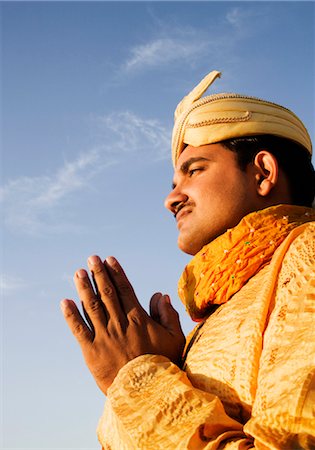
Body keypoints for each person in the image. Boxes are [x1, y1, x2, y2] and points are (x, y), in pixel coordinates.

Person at [61, 70, 315, 449]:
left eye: (193, 170)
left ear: (262, 172)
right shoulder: (214, 315)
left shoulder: (306, 258)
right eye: (172, 184)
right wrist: (155, 372)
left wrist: (141, 381)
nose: (171, 199)